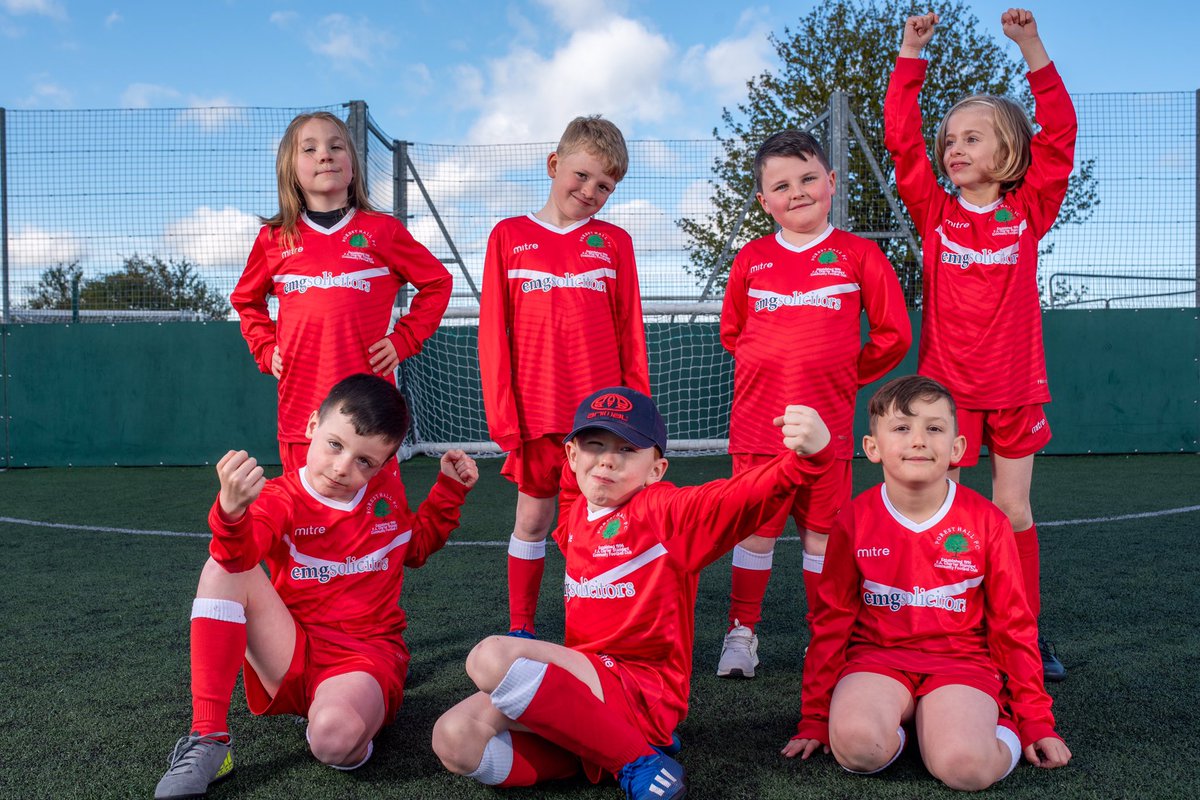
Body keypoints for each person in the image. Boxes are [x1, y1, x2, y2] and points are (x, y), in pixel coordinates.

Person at [432, 386, 833, 799]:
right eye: (595, 444)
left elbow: (730, 499)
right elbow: (575, 494)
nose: (607, 458)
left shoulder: (662, 513)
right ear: (571, 456)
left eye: (626, 449)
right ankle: (603, 750)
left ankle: (638, 762)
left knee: (491, 657)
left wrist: (804, 462)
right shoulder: (575, 516)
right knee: (454, 738)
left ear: (656, 470)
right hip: (589, 691)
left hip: (643, 692)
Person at [153, 374, 478, 799]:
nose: (344, 468)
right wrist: (231, 513)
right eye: (335, 445)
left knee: (334, 741)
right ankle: (209, 738)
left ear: (385, 464)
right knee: (222, 569)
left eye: (366, 461)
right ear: (311, 427)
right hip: (291, 651)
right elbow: (238, 557)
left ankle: (337, 712)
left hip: (367, 655)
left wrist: (449, 491)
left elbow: (412, 548)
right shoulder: (280, 497)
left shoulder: (384, 493)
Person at [883, 8, 1076, 681]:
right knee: (944, 508)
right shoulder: (934, 213)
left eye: (973, 138)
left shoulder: (1029, 212)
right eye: (950, 140)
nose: (954, 148)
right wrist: (911, 53)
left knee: (1013, 511)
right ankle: (946, 624)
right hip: (947, 400)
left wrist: (1030, 47)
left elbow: (1063, 133)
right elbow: (902, 140)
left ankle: (1023, 630)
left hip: (1017, 390)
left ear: (1010, 152)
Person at [783, 375, 1071, 790]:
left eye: (934, 428)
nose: (918, 440)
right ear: (872, 447)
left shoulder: (988, 523)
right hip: (876, 661)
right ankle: (909, 727)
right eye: (902, 427)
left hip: (961, 664)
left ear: (957, 448)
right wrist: (814, 715)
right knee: (857, 747)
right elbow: (831, 622)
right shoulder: (853, 520)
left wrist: (1035, 721)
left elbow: (1013, 626)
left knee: (966, 769)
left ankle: (975, 725)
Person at [715, 130, 910, 678]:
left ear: (830, 181)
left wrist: (842, 375)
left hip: (828, 434)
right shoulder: (751, 259)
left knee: (821, 535)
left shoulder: (860, 255)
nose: (796, 192)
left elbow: (893, 335)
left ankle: (824, 640)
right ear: (764, 201)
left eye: (806, 179)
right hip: (758, 428)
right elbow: (734, 333)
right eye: (780, 185)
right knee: (755, 533)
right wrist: (775, 365)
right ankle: (741, 632)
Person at [478, 115, 650, 639]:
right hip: (534, 415)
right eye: (581, 176)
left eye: (605, 186)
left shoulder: (615, 243)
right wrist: (505, 418)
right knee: (532, 522)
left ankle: (592, 634)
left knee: (593, 531)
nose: (590, 191)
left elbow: (631, 331)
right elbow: (493, 337)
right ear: (554, 165)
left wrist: (636, 418)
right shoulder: (509, 236)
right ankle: (522, 628)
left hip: (600, 421)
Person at [232, 111, 452, 472]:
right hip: (302, 411)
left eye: (336, 146)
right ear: (290, 169)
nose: (325, 154)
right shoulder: (274, 238)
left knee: (373, 525)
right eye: (310, 149)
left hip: (369, 418)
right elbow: (246, 300)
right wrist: (265, 347)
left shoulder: (383, 231)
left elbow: (437, 282)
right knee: (302, 520)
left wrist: (404, 340)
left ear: (352, 165)